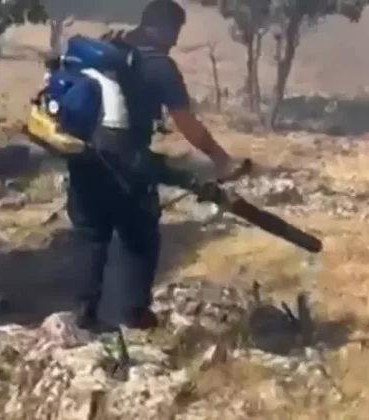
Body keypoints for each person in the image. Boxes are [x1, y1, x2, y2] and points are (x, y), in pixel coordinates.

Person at [66, 0, 246, 331]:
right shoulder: (160, 65)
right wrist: (221, 159)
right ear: (162, 28)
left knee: (91, 235)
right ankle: (135, 312)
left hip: (83, 156)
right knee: (141, 235)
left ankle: (84, 312)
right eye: (175, 31)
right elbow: (186, 123)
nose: (175, 40)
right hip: (127, 161)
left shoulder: (110, 47)